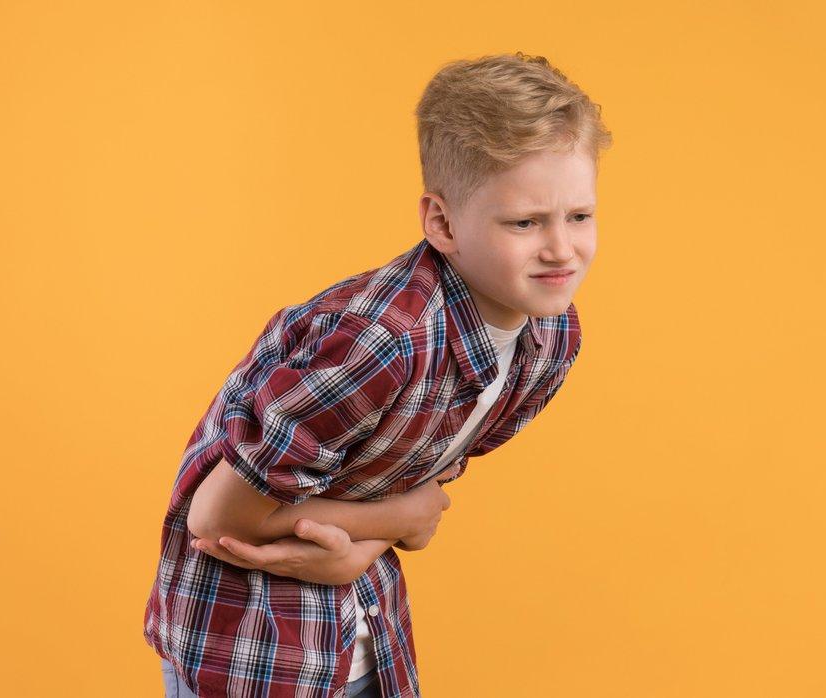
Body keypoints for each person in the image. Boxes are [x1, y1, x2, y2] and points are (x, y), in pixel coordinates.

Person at [142, 50, 611, 697]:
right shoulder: (381, 344)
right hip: (252, 646)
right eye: (525, 222)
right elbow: (214, 515)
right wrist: (405, 516)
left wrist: (364, 544)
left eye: (579, 216)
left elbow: (406, 471)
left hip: (366, 630)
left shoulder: (549, 340)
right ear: (442, 223)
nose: (561, 249)